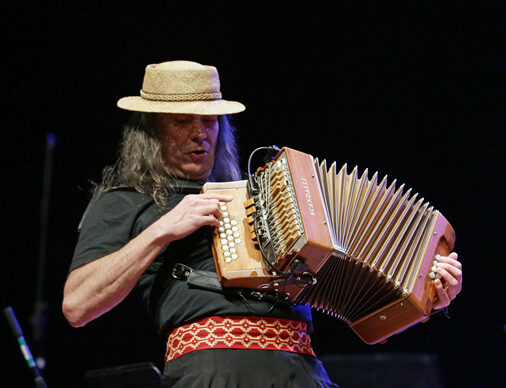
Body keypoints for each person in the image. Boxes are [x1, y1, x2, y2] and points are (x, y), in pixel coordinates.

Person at [62, 60, 463, 388]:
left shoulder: (259, 198)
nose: (201, 134)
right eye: (182, 121)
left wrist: (427, 294)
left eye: (211, 122)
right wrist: (163, 228)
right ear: (149, 131)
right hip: (213, 373)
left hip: (302, 372)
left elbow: (355, 298)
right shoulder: (126, 199)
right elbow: (77, 306)